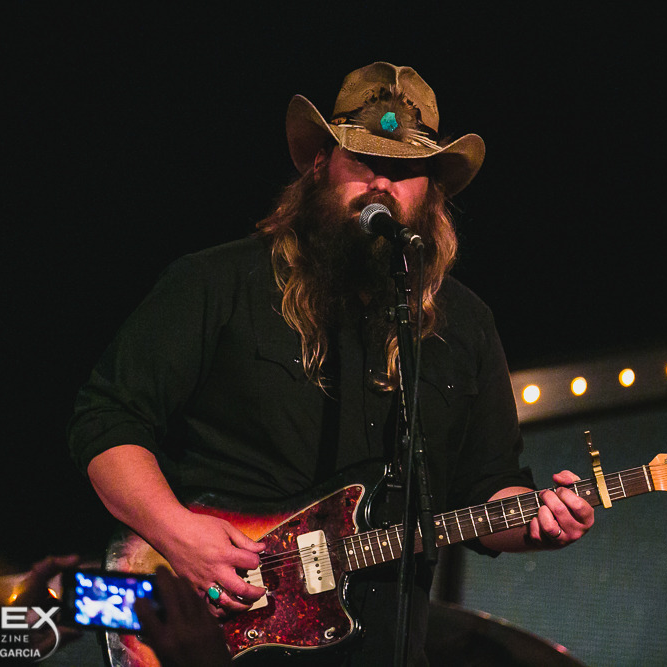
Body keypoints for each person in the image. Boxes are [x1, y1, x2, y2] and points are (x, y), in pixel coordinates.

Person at [68, 61, 595, 665]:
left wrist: (539, 523)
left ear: (431, 191)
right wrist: (176, 532)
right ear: (321, 164)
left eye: (404, 171)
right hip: (217, 635)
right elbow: (105, 420)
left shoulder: (466, 325)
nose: (381, 184)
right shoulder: (217, 281)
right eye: (363, 160)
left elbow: (483, 492)